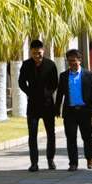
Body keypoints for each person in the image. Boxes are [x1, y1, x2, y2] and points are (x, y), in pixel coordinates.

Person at [18, 39, 60, 171]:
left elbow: (55, 83)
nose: (37, 56)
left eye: (39, 53)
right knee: (32, 135)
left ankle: (50, 160)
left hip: (47, 105)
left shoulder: (51, 65)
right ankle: (34, 162)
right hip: (33, 105)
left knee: (51, 134)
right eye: (35, 53)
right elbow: (21, 82)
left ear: (43, 51)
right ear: (31, 52)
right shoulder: (26, 65)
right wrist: (30, 92)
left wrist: (47, 93)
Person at [57, 48, 92, 170]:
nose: (72, 64)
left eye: (74, 61)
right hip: (70, 111)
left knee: (87, 136)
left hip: (84, 110)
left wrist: (91, 108)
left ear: (79, 61)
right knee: (70, 137)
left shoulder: (88, 74)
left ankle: (89, 158)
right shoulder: (64, 76)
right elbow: (60, 93)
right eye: (69, 61)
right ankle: (73, 163)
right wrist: (57, 108)